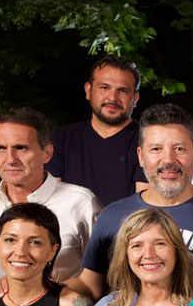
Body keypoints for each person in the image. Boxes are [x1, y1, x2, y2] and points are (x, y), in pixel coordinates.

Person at [79, 103, 193, 298]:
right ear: (141, 156)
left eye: (179, 149)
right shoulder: (112, 217)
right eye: (156, 149)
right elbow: (89, 287)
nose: (168, 160)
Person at [0, 107, 99, 294]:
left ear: (47, 153)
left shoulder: (81, 203)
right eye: (0, 148)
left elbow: (103, 277)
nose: (10, 159)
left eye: (21, 148)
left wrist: (36, 290)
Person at [49, 55, 144, 205]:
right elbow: (52, 203)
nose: (112, 97)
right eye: (104, 88)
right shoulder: (62, 139)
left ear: (135, 98)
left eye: (123, 91)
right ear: (88, 90)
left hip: (127, 228)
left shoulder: (148, 141)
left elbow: (144, 210)